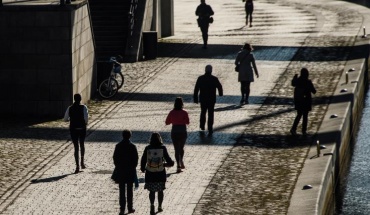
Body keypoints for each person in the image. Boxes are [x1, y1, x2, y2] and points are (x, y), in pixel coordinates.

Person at [141, 133, 174, 215]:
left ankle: (152, 205)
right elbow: (169, 161)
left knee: (151, 191)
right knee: (160, 190)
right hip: (160, 173)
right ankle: (159, 206)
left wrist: (142, 168)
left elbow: (143, 159)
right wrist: (167, 164)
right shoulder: (162, 148)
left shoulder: (147, 148)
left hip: (150, 173)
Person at [113, 130, 138, 215]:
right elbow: (135, 160)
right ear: (130, 136)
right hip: (130, 171)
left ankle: (122, 209)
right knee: (130, 190)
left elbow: (115, 158)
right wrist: (133, 167)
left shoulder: (118, 146)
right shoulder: (132, 146)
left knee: (122, 191)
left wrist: (118, 167)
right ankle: (130, 208)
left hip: (121, 171)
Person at [193, 65, 223, 136]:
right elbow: (219, 86)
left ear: (205, 70)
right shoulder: (214, 79)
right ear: (211, 70)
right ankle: (210, 127)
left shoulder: (200, 78)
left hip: (203, 99)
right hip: (211, 99)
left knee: (203, 112)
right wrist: (220, 94)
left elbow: (196, 89)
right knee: (211, 113)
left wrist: (195, 98)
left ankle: (202, 125)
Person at [63, 93, 89, 174]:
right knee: (82, 144)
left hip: (73, 129)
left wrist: (71, 119)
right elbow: (86, 119)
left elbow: (65, 119)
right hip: (82, 129)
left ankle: (77, 165)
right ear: (80, 99)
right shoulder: (83, 107)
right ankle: (82, 162)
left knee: (76, 147)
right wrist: (85, 123)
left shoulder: (70, 108)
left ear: (74, 99)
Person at [165, 97, 190, 173]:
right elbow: (187, 122)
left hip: (175, 131)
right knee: (181, 148)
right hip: (182, 131)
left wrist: (174, 121)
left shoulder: (172, 112)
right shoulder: (184, 112)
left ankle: (178, 165)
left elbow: (167, 122)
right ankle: (181, 160)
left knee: (176, 149)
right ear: (182, 104)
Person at [290, 68, 317, 136]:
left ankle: (293, 129)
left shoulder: (298, 81)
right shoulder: (308, 82)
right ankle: (304, 130)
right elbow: (314, 91)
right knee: (305, 116)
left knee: (299, 115)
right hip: (306, 101)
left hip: (299, 101)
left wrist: (294, 78)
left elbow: (293, 84)